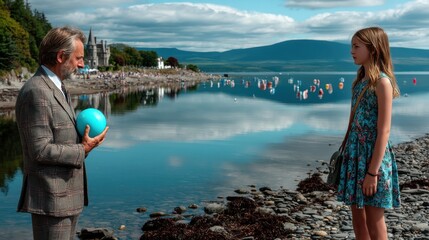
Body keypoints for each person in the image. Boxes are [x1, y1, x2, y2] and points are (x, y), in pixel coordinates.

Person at [15, 26, 109, 240]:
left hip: (66, 198)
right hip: (51, 200)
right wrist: (82, 149)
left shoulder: (58, 88)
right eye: (78, 58)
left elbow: (61, 138)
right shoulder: (36, 91)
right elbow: (39, 150)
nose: (82, 64)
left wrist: (87, 143)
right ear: (60, 56)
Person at [337, 27, 401, 239]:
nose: (351, 51)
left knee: (374, 220)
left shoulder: (382, 82)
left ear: (373, 49)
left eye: (356, 46)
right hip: (355, 155)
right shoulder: (359, 82)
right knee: (358, 220)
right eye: (351, 46)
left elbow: (384, 130)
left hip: (374, 158)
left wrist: (373, 173)